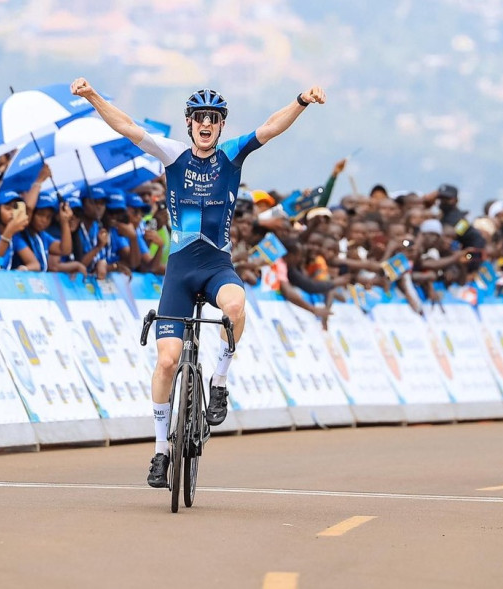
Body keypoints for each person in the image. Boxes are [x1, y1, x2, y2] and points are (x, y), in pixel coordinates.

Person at [71, 76, 326, 488]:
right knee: (167, 361)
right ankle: (158, 451)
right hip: (180, 271)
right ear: (189, 123)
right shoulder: (171, 154)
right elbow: (127, 126)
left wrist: (301, 100)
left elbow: (272, 126)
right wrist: (92, 96)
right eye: (199, 118)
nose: (206, 124)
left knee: (237, 306)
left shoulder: (231, 154)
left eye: (213, 118)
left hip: (216, 267)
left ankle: (219, 380)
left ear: (221, 125)